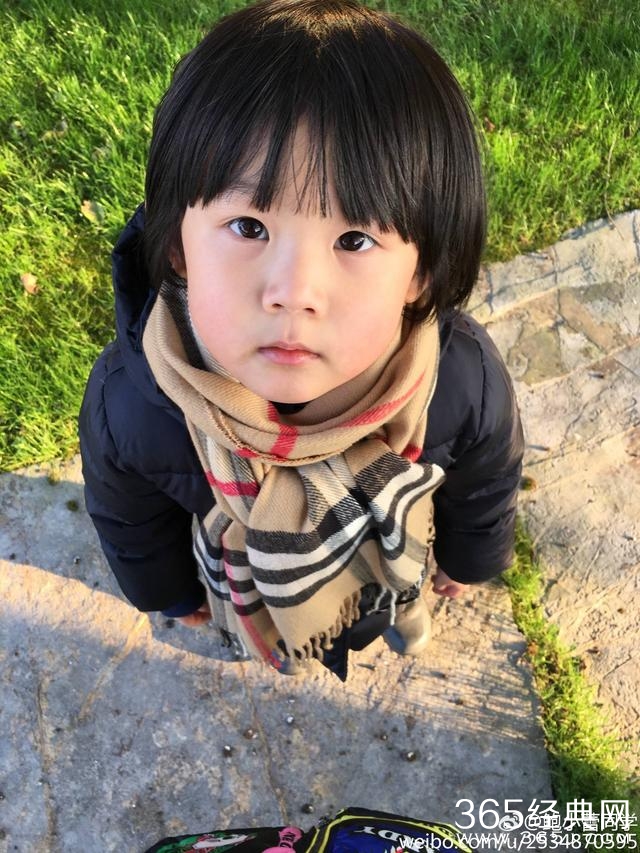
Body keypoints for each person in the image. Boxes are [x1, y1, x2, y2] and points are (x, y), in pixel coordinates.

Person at [79, 0, 523, 681]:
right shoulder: (132, 404)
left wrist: (470, 560)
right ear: (176, 248)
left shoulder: (460, 381)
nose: (294, 291)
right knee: (266, 631)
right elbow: (129, 519)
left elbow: (485, 484)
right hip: (245, 592)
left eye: (355, 239)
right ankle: (277, 641)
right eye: (249, 227)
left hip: (393, 569)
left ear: (421, 273)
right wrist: (166, 593)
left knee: (398, 599)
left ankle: (402, 620)